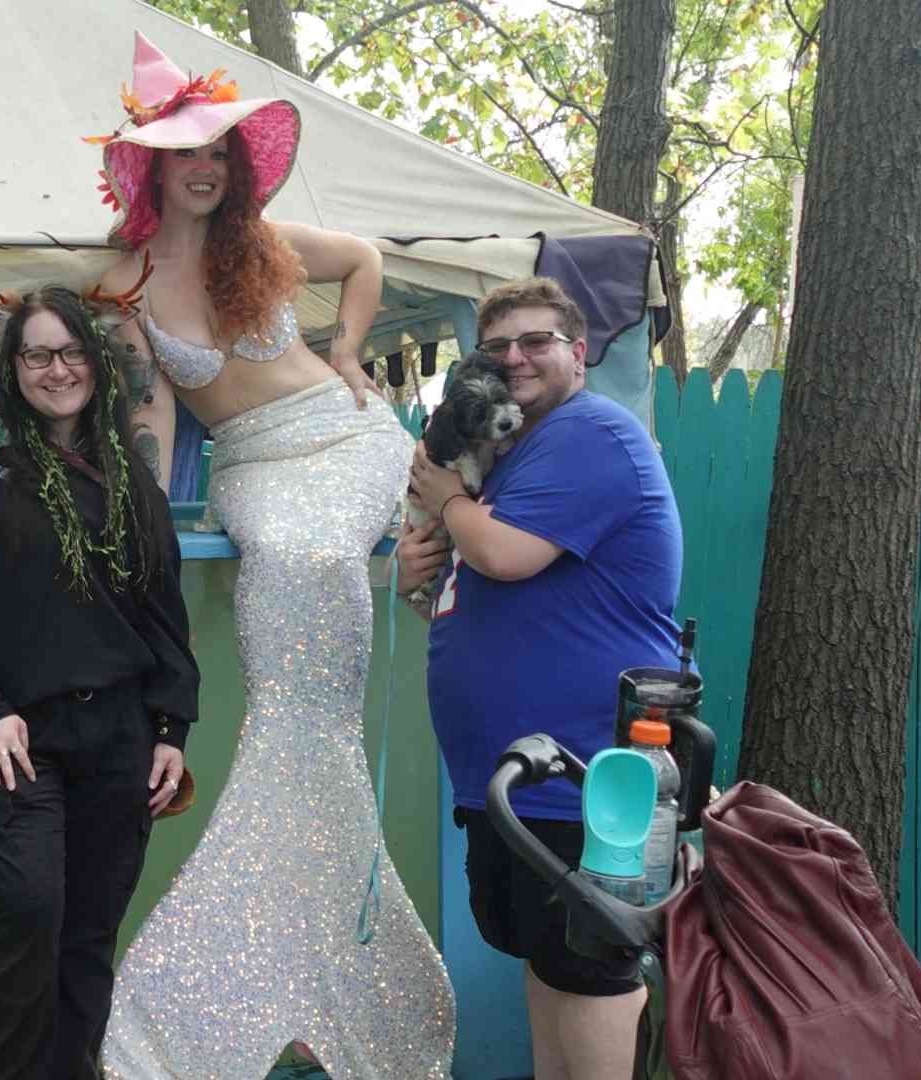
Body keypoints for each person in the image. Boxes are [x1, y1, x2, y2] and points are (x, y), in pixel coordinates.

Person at [88, 32, 455, 1079]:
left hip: (344, 437)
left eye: (219, 151)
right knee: (284, 559)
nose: (205, 167)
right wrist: (145, 519)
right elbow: (152, 415)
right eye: (185, 152)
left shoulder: (264, 241)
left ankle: (313, 820)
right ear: (151, 165)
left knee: (312, 555)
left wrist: (347, 348)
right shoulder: (121, 280)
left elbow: (366, 259)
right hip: (248, 463)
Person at [0, 284, 199, 1080]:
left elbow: (162, 611)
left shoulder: (129, 474)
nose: (57, 370)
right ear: (13, 367)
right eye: (37, 355)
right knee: (28, 911)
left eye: (71, 352)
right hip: (11, 737)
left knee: (88, 935)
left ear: (96, 361)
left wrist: (170, 727)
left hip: (119, 736)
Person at [400, 277, 685, 1080]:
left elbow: (504, 554)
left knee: (591, 968)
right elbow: (477, 592)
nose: (515, 359)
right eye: (497, 348)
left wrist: (447, 503)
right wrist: (419, 580)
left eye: (536, 341)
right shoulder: (512, 456)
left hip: (588, 773)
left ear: (579, 353)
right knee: (549, 958)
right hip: (518, 776)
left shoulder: (590, 433)